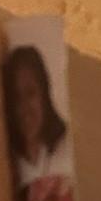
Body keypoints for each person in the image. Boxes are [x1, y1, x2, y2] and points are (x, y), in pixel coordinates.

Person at [5, 44, 72, 182]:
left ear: (44, 94)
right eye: (17, 97)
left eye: (30, 93)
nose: (24, 107)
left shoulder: (67, 147)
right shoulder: (7, 161)